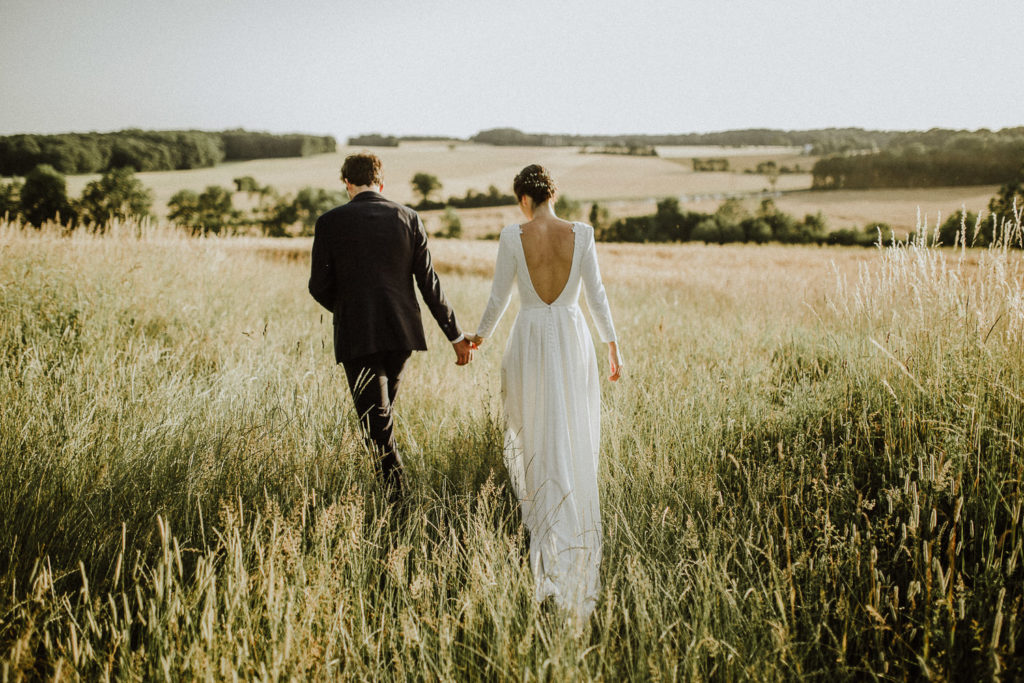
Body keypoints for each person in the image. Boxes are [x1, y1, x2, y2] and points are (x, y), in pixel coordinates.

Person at [468, 164, 622, 620]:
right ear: (553, 195)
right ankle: (570, 534)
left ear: (523, 199)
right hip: (573, 337)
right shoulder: (584, 232)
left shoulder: (513, 235)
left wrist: (478, 337)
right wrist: (613, 346)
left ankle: (544, 531)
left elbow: (499, 296)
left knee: (533, 430)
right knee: (571, 430)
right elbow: (596, 294)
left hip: (531, 338)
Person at [309, 152, 475, 501]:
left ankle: (399, 504)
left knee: (377, 424)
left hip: (357, 334)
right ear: (381, 183)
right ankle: (388, 499)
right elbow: (429, 284)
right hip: (401, 334)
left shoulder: (329, 221)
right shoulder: (409, 218)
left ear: (347, 184)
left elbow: (318, 285)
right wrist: (455, 335)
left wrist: (346, 307)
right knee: (380, 420)